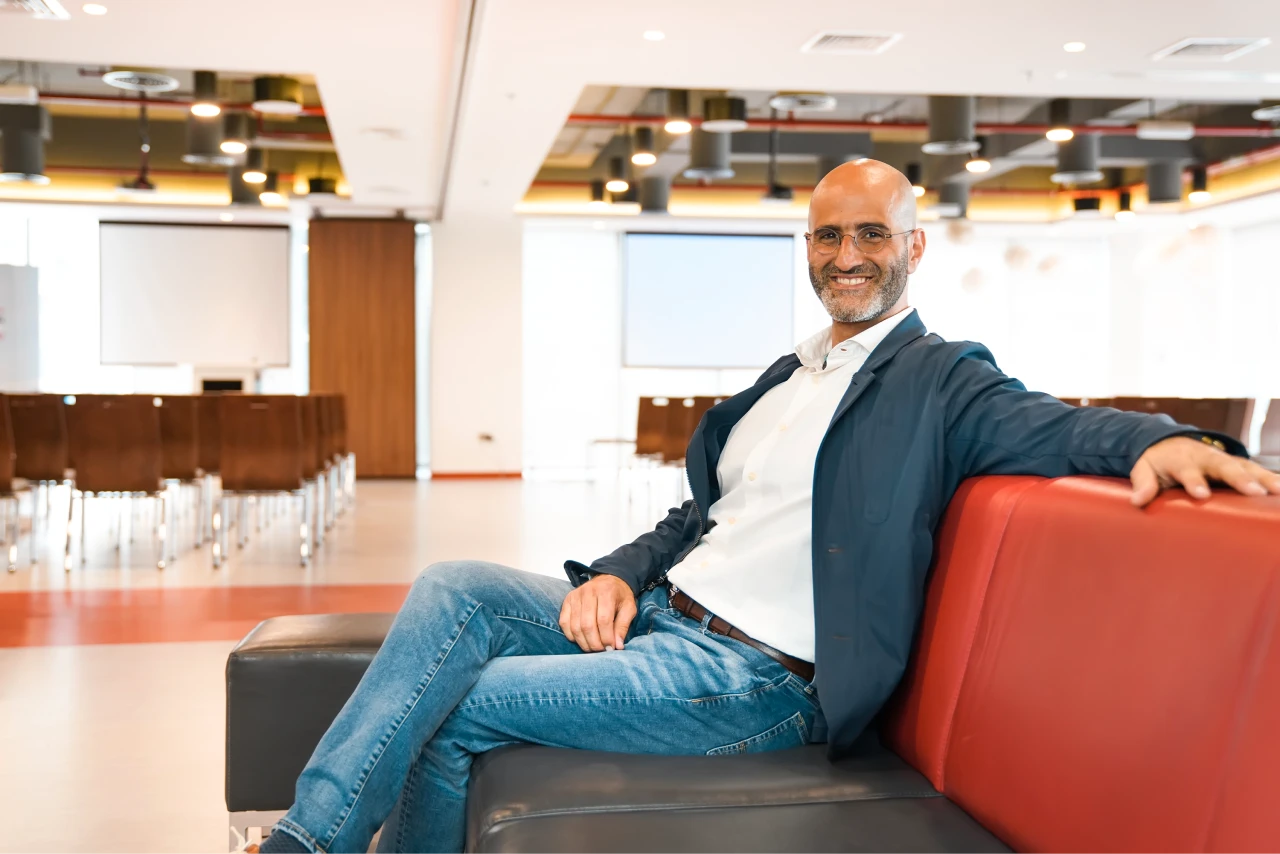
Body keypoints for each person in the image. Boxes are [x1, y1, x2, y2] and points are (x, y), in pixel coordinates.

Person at [250, 160, 1280, 854]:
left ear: (914, 248)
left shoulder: (939, 379)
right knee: (452, 589)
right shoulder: (783, 381)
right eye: (825, 236)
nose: (844, 255)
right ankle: (309, 838)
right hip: (663, 617)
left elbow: (1052, 424)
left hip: (752, 679)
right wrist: (616, 571)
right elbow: (695, 517)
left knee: (467, 701)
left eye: (869, 234)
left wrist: (1163, 439)